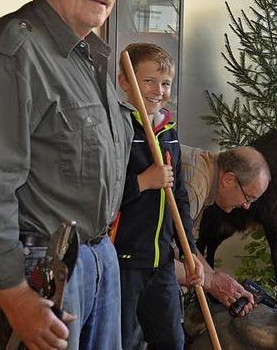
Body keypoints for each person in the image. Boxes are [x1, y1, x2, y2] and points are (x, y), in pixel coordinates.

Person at [0, 0, 130, 348]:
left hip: (98, 259)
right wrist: (13, 294)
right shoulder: (12, 54)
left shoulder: (87, 56)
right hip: (43, 273)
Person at [114, 42, 203, 349]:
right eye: (148, 81)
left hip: (162, 262)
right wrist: (142, 181)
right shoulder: (118, 127)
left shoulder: (169, 130)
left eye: (165, 83)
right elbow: (102, 194)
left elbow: (178, 194)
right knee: (123, 341)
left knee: (171, 340)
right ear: (125, 81)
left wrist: (189, 251)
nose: (158, 90)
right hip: (124, 260)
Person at [176, 145, 271, 316]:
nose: (246, 206)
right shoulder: (195, 187)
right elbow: (153, 256)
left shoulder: (206, 172)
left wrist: (215, 278)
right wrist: (210, 282)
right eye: (248, 197)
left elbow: (181, 244)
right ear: (228, 179)